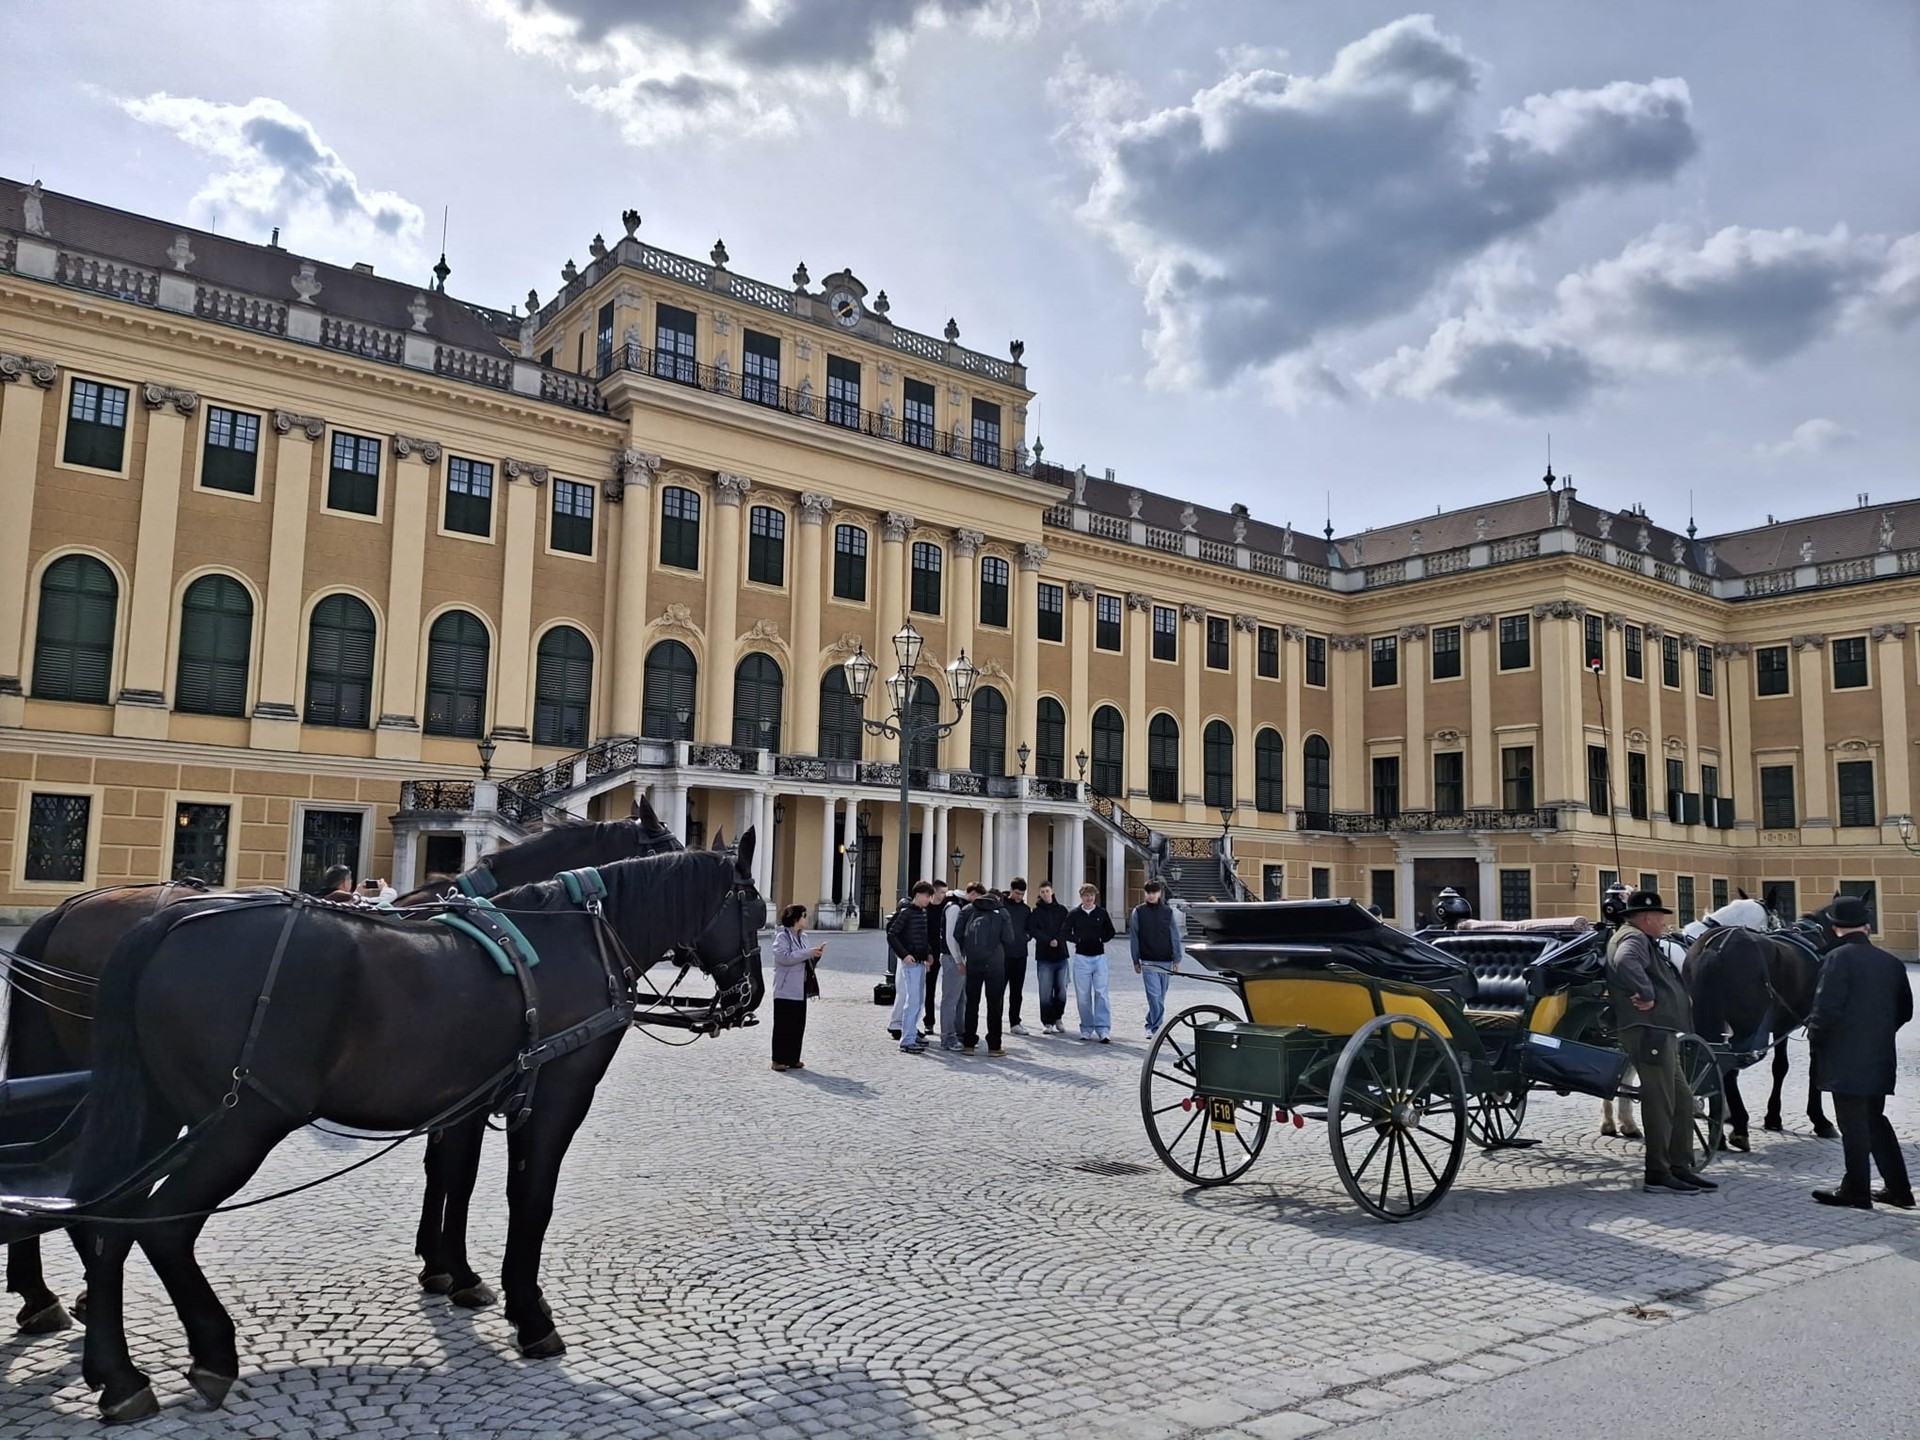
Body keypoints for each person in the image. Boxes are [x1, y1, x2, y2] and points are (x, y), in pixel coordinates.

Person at [1807, 894, 1914, 1209]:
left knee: (1852, 1125)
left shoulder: (1837, 959)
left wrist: (1816, 1038)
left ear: (1835, 927)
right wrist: (1877, 1033)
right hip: (1879, 1055)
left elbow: (1825, 1010)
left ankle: (1857, 1192)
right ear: (1866, 926)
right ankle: (1899, 1190)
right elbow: (1905, 1011)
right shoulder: (1891, 962)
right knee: (1875, 1119)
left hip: (1844, 1057)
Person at [1605, 889, 1714, 1195]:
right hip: (1648, 1031)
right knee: (1660, 1101)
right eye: (1661, 917)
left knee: (1681, 1098)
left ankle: (1680, 1166)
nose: (1665, 923)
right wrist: (1647, 992)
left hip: (1660, 1031)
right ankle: (1657, 1172)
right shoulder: (1633, 938)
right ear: (1647, 918)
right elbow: (1625, 962)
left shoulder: (1638, 937)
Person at [956, 883, 1017, 1056]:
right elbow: (1009, 938)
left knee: (971, 1003)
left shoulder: (968, 909)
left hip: (974, 962)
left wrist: (969, 950)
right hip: (995, 963)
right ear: (998, 899)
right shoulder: (1002, 912)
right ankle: (994, 1047)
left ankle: (969, 1044)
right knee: (995, 1004)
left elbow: (957, 934)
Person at [771, 904, 824, 1072]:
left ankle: (793, 1058)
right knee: (783, 1025)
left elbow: (804, 959)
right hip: (785, 988)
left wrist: (815, 956)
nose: (807, 918)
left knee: (798, 1024)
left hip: (800, 987)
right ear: (795, 919)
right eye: (804, 915)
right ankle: (778, 1059)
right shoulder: (782, 937)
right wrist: (808, 953)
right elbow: (784, 958)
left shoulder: (804, 937)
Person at [885, 883, 936, 1054]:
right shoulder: (906, 913)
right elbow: (892, 934)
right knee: (912, 1000)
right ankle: (907, 1039)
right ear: (918, 894)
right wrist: (904, 954)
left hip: (920, 960)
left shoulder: (922, 913)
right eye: (927, 896)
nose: (929, 900)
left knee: (919, 1001)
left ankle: (912, 1033)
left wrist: (928, 952)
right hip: (911, 961)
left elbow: (922, 937)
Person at [1130, 879, 1184, 1036]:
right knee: (1154, 996)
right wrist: (1135, 960)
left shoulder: (1168, 912)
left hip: (1165, 960)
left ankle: (1150, 1021)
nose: (1151, 895)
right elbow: (1134, 937)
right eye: (1148, 892)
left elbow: (1174, 936)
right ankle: (1156, 1029)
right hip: (1148, 960)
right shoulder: (1138, 912)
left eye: (1154, 892)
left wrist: (1177, 959)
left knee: (1160, 997)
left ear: (1159, 893)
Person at [1067, 882, 1117, 1043]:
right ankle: (1086, 1027)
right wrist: (1077, 939)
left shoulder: (1101, 913)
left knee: (1101, 993)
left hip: (1099, 957)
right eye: (1086, 895)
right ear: (1081, 897)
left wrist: (1102, 939)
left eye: (1092, 895)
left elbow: (1111, 931)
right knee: (1083, 995)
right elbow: (1065, 931)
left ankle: (1103, 1028)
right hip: (1081, 958)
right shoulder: (1074, 914)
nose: (1089, 898)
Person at [1028, 881, 1072, 1034]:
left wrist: (1058, 940)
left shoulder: (1062, 910)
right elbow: (1033, 930)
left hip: (1061, 955)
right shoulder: (1036, 912)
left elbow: (1066, 928)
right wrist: (1048, 940)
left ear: (1052, 891)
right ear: (1039, 894)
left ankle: (1058, 1017)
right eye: (1042, 892)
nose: (1045, 894)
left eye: (1047, 891)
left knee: (1061, 990)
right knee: (1045, 992)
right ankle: (1047, 1022)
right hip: (1044, 956)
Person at [921, 879, 960, 1039]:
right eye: (942, 892)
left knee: (948, 989)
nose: (945, 895)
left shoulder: (948, 907)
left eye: (946, 892)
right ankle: (929, 1021)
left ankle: (951, 1024)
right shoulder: (927, 910)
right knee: (929, 988)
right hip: (931, 953)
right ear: (935, 892)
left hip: (945, 951)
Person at [1002, 878, 1033, 1036]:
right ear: (1011, 890)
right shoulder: (1002, 906)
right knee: (998, 991)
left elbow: (1030, 929)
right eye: (1017, 893)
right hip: (1002, 955)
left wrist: (1026, 937)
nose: (1019, 896)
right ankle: (995, 1021)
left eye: (1022, 894)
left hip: (1020, 954)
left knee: (1017, 991)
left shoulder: (1026, 909)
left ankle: (1015, 1022)